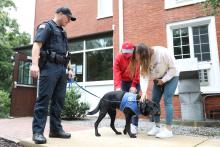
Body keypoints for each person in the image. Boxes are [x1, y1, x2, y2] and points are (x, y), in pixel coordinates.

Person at [30, 7, 76, 144]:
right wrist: (34, 64)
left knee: (59, 101)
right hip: (49, 67)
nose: (69, 21)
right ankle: (38, 132)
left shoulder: (63, 32)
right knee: (44, 99)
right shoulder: (46, 26)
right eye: (68, 18)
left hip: (62, 69)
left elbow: (67, 53)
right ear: (60, 14)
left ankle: (55, 130)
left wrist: (69, 68)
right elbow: (37, 45)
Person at [130, 43, 179, 138]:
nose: (139, 62)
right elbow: (143, 76)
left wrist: (164, 80)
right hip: (158, 78)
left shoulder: (163, 53)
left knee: (167, 100)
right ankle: (157, 126)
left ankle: (168, 130)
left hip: (172, 75)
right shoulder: (144, 60)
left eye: (140, 59)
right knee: (154, 101)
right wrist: (144, 92)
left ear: (145, 55)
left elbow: (173, 68)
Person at [113, 41, 140, 134]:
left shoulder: (136, 58)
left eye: (129, 53)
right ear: (122, 51)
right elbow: (117, 73)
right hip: (124, 82)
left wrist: (134, 85)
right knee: (126, 105)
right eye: (125, 53)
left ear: (133, 51)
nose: (127, 55)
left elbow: (137, 72)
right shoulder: (118, 58)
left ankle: (134, 126)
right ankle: (127, 125)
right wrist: (117, 87)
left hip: (134, 82)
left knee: (134, 104)